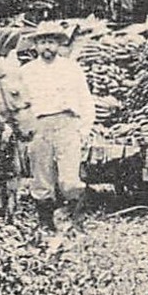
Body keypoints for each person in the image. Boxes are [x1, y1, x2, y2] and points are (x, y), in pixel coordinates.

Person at [17, 22, 96, 234]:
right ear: (35, 46)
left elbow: (85, 99)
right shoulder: (26, 72)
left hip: (67, 124)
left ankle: (75, 224)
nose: (46, 47)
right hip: (39, 125)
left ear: (59, 44)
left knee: (70, 179)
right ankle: (46, 225)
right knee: (41, 179)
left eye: (50, 42)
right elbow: (20, 104)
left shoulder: (71, 68)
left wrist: (84, 129)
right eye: (42, 42)